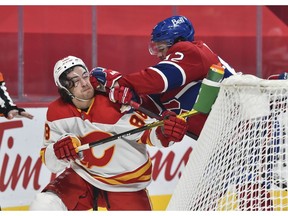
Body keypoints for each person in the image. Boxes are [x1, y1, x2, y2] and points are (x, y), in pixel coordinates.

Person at [29, 56, 188, 211]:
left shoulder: (113, 104)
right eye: (75, 82)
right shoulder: (57, 112)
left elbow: (150, 133)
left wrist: (166, 132)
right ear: (64, 90)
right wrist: (58, 152)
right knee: (44, 204)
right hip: (84, 178)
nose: (84, 83)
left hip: (127, 185)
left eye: (85, 76)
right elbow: (49, 161)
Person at [90, 15, 238, 138]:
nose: (159, 54)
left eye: (161, 48)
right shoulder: (182, 76)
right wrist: (132, 97)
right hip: (223, 141)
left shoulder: (191, 51)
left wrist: (117, 81)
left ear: (179, 41)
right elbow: (153, 103)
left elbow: (157, 80)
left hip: (245, 127)